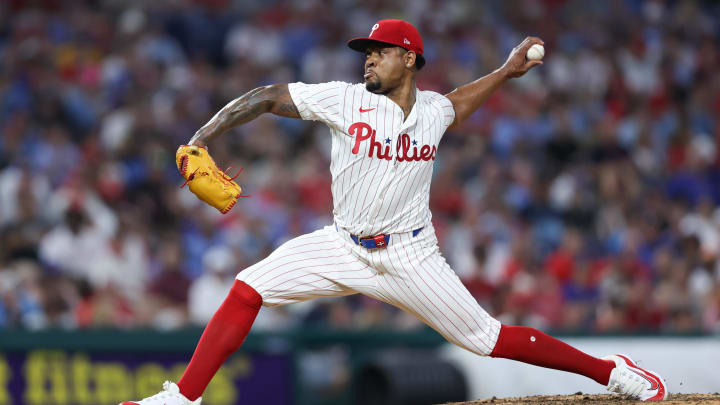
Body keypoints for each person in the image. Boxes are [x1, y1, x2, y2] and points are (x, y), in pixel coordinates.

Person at [122, 19, 667, 405]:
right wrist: (200, 136)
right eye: (367, 50)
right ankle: (182, 397)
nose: (369, 57)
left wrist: (504, 71)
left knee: (486, 338)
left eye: (380, 50)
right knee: (248, 287)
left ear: (408, 59)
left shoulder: (434, 111)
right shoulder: (345, 99)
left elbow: (462, 101)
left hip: (410, 254)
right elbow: (265, 96)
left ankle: (613, 372)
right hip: (342, 244)